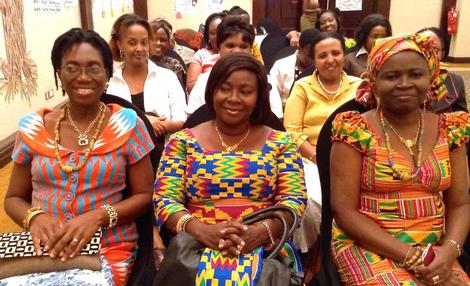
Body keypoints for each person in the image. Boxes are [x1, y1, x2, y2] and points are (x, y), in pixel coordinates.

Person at [2, 28, 154, 286]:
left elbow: (145, 195)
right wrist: (35, 217)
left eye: (94, 68)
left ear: (107, 74)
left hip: (106, 247)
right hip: (41, 248)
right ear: (59, 74)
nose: (83, 77)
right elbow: (13, 198)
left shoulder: (127, 125)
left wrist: (97, 217)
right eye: (72, 68)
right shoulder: (33, 128)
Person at [153, 53, 307, 284]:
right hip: (194, 250)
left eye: (245, 91)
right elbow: (165, 200)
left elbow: (294, 201)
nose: (233, 98)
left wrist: (260, 233)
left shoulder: (281, 143)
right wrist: (202, 231)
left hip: (266, 250)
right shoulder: (182, 142)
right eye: (225, 89)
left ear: (258, 97)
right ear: (212, 91)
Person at [330, 33, 470, 285]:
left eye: (415, 75)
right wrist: (414, 257)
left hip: (435, 247)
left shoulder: (450, 128)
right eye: (392, 76)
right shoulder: (355, 130)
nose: (404, 83)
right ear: (373, 82)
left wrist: (449, 251)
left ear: (431, 78)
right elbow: (344, 212)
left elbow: (460, 204)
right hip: (368, 245)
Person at [284, 31, 362, 253]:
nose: (330, 60)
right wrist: (318, 158)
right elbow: (292, 132)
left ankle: (347, 248)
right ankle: (312, 252)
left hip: (354, 160)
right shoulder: (303, 87)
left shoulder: (360, 86)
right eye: (322, 55)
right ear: (314, 60)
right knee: (311, 199)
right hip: (310, 159)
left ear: (344, 55)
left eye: (335, 53)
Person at [107, 13, 187, 138]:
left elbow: (181, 121)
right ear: (119, 44)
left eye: (144, 42)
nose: (139, 48)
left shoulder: (167, 77)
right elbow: (108, 124)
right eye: (132, 43)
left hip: (165, 152)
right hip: (123, 154)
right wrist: (144, 120)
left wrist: (160, 125)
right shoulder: (110, 83)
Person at [187, 15, 283, 119]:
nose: (237, 51)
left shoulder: (266, 81)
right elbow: (193, 121)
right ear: (219, 47)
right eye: (230, 46)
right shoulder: (204, 81)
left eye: (243, 46)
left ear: (250, 49)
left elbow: (276, 122)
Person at [417, 27, 468, 113]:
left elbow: (463, 117)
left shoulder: (455, 82)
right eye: (422, 48)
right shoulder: (403, 79)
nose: (428, 53)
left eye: (435, 49)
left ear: (443, 54)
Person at [270, 28, 320, 109]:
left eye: (318, 56)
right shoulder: (281, 66)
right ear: (299, 48)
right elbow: (273, 99)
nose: (314, 61)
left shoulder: (323, 65)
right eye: (311, 57)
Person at [186, 12, 225, 92]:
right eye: (212, 33)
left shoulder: (236, 52)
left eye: (220, 31)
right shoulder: (201, 56)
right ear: (208, 36)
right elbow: (191, 87)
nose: (217, 36)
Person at [149, 19, 187, 90]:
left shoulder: (175, 65)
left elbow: (178, 92)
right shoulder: (141, 64)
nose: (158, 43)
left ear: (168, 43)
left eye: (162, 40)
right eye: (153, 39)